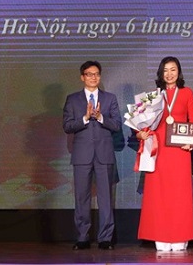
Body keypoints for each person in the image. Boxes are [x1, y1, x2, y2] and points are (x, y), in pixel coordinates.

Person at [137, 56, 193, 251]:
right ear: (160, 73)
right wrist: (140, 131)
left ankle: (181, 236)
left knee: (179, 194)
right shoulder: (154, 96)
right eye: (165, 70)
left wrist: (192, 143)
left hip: (180, 150)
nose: (169, 74)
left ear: (178, 72)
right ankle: (160, 236)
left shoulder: (187, 93)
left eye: (173, 69)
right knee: (159, 194)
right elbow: (143, 122)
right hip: (158, 150)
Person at [62, 60, 122, 250]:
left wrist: (101, 117)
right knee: (81, 197)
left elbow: (117, 125)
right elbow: (67, 126)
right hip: (81, 155)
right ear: (82, 77)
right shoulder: (72, 100)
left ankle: (105, 238)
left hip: (104, 154)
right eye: (89, 74)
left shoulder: (110, 99)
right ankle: (82, 237)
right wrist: (85, 118)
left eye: (96, 74)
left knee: (105, 198)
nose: (93, 77)